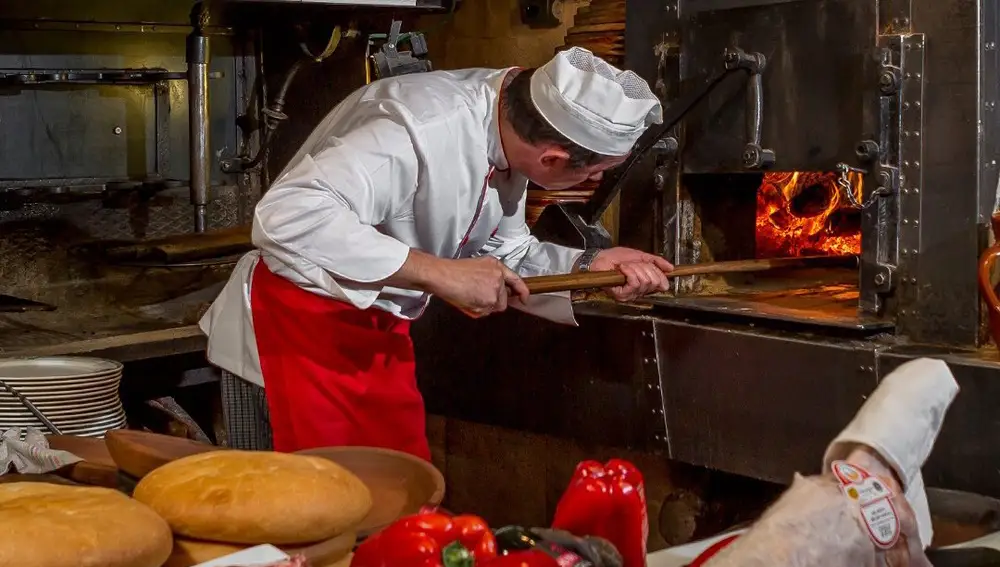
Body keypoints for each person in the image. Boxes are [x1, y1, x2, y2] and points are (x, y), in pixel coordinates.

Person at [199, 47, 674, 460]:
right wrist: (436, 273)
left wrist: (589, 268)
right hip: (295, 326)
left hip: (377, 335)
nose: (594, 185)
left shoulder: (510, 123)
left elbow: (503, 251)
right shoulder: (415, 130)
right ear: (550, 157)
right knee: (307, 525)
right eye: (594, 174)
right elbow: (287, 215)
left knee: (395, 508)